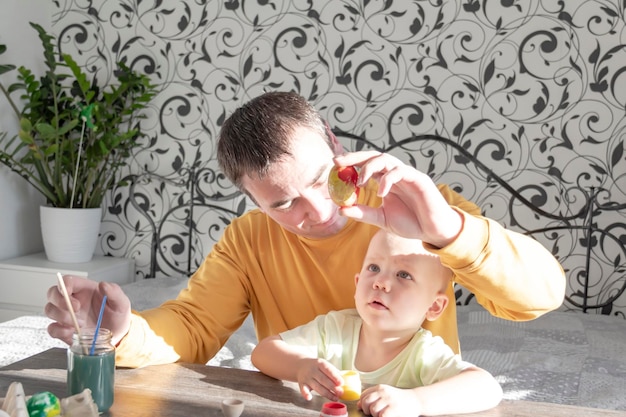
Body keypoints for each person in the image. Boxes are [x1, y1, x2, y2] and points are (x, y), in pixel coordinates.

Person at [44, 91, 565, 368]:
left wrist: (449, 231)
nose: (316, 211)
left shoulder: (417, 208)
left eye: (322, 179)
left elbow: (538, 298)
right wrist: (120, 333)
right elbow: (195, 328)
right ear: (251, 200)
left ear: (335, 144)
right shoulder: (248, 241)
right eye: (284, 203)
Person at [251, 229, 503, 417]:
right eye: (374, 267)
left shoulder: (422, 353)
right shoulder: (334, 329)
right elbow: (263, 352)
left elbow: (487, 388)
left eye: (404, 275)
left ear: (433, 307)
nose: (380, 282)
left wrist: (415, 401)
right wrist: (300, 367)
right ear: (357, 282)